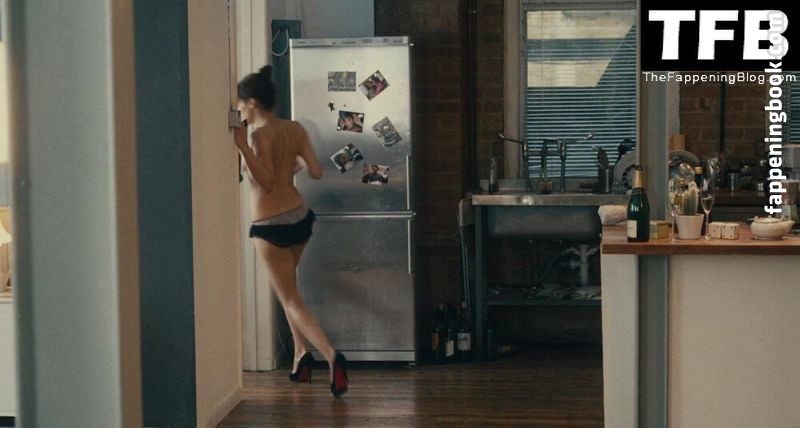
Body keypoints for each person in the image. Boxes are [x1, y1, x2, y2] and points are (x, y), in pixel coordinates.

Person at [235, 65, 349, 397]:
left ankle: (331, 356)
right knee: (288, 290)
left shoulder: (258, 135)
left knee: (290, 299)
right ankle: (301, 356)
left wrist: (243, 147)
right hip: (300, 217)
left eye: (240, 104)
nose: (238, 110)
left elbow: (267, 182)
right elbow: (315, 171)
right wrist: (288, 168)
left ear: (252, 102)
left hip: (270, 225)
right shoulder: (295, 128)